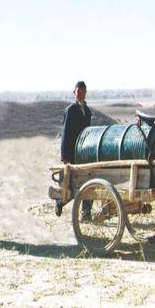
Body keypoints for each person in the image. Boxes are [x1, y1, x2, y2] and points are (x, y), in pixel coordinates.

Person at [57, 81, 92, 217]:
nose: (81, 94)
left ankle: (86, 212)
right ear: (74, 93)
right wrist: (64, 156)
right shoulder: (70, 110)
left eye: (83, 92)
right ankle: (60, 202)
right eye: (79, 92)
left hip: (83, 153)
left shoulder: (87, 111)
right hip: (71, 153)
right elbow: (65, 134)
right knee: (71, 184)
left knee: (88, 181)